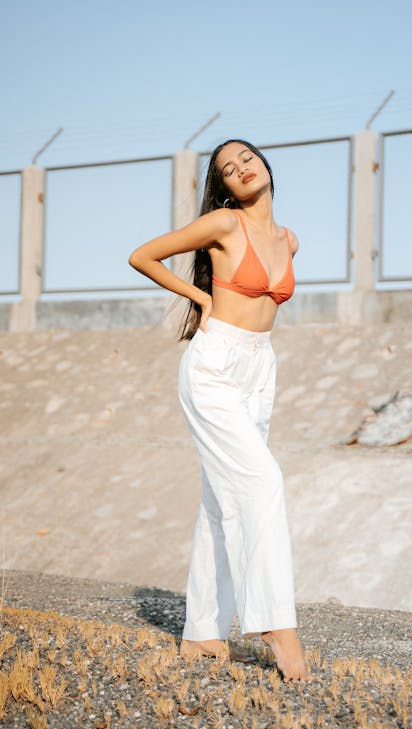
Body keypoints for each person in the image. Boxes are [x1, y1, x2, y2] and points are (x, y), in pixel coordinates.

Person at [128, 138, 314, 683]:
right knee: (263, 482)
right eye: (229, 171)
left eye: (247, 160)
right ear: (224, 187)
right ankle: (278, 627)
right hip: (214, 367)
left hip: (260, 370)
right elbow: (144, 255)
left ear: (265, 165)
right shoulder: (224, 225)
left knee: (220, 501)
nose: (241, 171)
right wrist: (203, 300)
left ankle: (202, 632)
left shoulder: (289, 239)